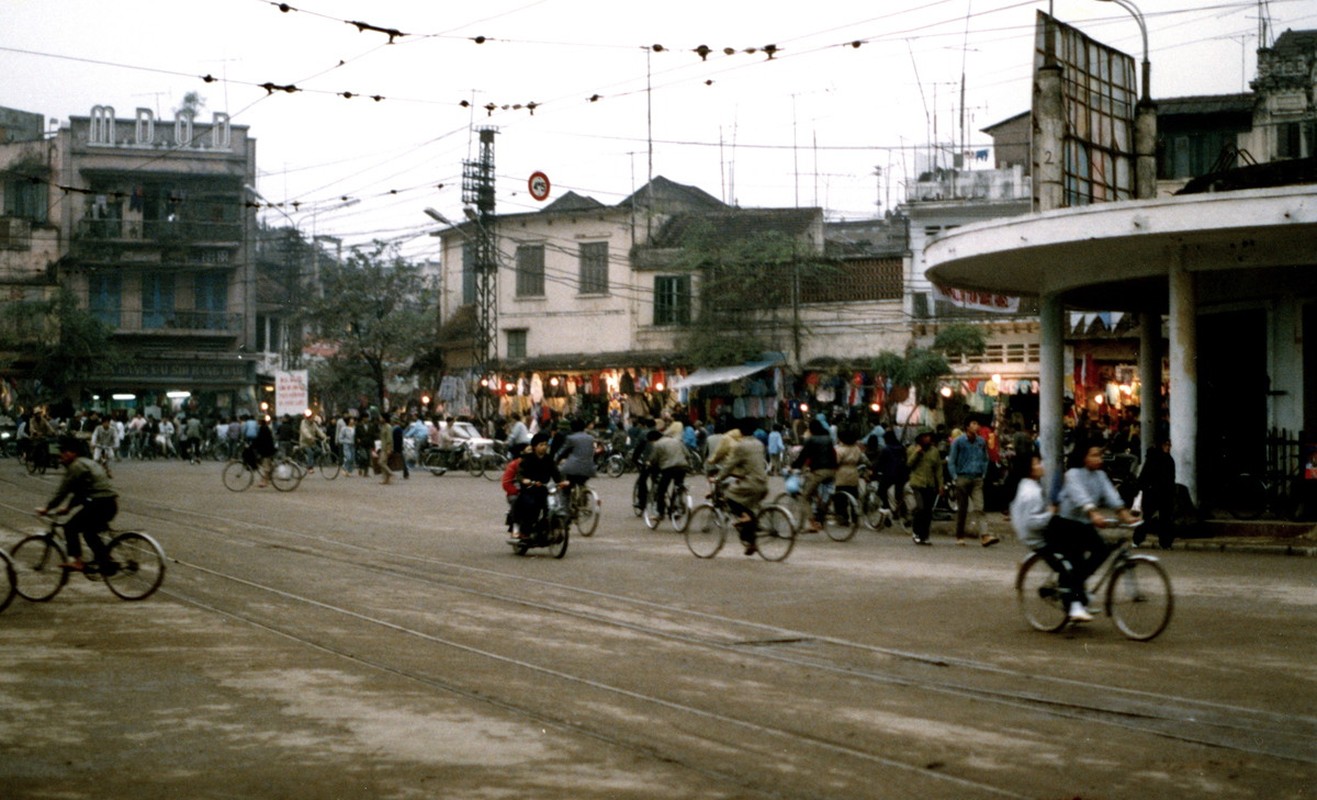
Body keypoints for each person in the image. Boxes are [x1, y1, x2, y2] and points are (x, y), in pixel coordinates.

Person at [1053, 445, 1140, 613]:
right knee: (1076, 560)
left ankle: (1075, 587)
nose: (1098, 458)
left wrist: (1125, 515)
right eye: (1094, 455)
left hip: (1084, 524)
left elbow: (1111, 496)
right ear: (1083, 456)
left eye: (1100, 455)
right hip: (1066, 524)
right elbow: (1080, 496)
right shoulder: (1072, 474)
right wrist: (1093, 512)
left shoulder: (1100, 476)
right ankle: (1074, 601)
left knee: (1101, 550)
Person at [1010, 454, 1093, 622]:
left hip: (1038, 532)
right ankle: (1074, 603)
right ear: (1030, 469)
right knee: (1072, 558)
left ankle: (1075, 598)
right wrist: (1050, 514)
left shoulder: (1028, 486)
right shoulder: (1030, 492)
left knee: (1075, 549)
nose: (1041, 465)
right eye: (1037, 463)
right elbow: (1032, 522)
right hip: (1038, 537)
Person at [36, 436, 118, 573]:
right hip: (110, 504)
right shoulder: (87, 462)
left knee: (70, 527)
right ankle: (105, 559)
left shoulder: (76, 466)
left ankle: (78, 562)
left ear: (73, 453)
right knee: (89, 532)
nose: (61, 455)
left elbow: (63, 491)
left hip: (99, 504)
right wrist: (68, 508)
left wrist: (47, 508)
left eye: (64, 452)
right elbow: (81, 492)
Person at [712, 418, 769, 556]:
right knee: (748, 509)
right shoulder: (758, 444)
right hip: (763, 483)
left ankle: (746, 521)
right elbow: (752, 464)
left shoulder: (741, 446)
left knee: (730, 497)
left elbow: (729, 465)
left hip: (750, 484)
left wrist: (718, 478)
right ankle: (751, 543)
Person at [948, 419, 999, 547]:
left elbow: (985, 459)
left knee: (979, 507)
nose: (977, 426)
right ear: (967, 427)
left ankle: (985, 535)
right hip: (962, 477)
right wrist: (955, 477)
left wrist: (983, 473)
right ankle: (960, 535)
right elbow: (952, 460)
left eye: (978, 423)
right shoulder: (958, 442)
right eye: (974, 424)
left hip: (977, 478)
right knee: (963, 509)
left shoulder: (981, 441)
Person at [512, 433, 569, 539]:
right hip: (529, 489)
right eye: (541, 444)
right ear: (535, 446)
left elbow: (555, 473)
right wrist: (525, 480)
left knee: (552, 506)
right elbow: (520, 473)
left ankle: (548, 528)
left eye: (546, 445)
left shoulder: (549, 459)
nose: (544, 447)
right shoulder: (527, 459)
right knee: (531, 505)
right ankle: (525, 531)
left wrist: (561, 481)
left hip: (544, 489)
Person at [791, 419, 838, 533]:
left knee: (804, 496)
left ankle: (813, 523)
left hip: (819, 471)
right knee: (818, 492)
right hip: (832, 470)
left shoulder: (810, 440)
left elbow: (803, 456)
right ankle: (821, 510)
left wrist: (794, 466)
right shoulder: (828, 439)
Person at [1137, 437, 1176, 549]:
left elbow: (1171, 478)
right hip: (1152, 493)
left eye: (1169, 445)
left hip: (1166, 494)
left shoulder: (1169, 459)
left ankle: (1166, 543)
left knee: (1166, 519)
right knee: (1147, 518)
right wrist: (1143, 489)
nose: (1168, 447)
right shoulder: (1153, 458)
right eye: (1165, 445)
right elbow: (1144, 476)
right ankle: (1138, 539)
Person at [906, 431, 944, 545]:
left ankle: (924, 535)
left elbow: (938, 469)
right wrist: (917, 453)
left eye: (928, 437)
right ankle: (916, 532)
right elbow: (909, 464)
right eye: (924, 436)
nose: (927, 439)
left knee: (928, 511)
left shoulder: (934, 451)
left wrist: (941, 485)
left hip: (930, 484)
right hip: (917, 483)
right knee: (920, 507)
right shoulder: (912, 449)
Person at [651, 420, 689, 517]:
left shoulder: (658, 444)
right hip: (682, 467)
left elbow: (654, 459)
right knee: (677, 486)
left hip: (668, 468)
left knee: (661, 490)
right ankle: (675, 507)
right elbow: (687, 454)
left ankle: (660, 512)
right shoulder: (678, 442)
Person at [555, 417, 597, 503]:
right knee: (581, 482)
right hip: (589, 468)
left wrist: (555, 459)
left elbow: (562, 452)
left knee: (567, 486)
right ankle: (583, 498)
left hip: (573, 468)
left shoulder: (571, 438)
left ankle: (565, 508)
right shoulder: (590, 438)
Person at [833, 426, 866, 527]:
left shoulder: (839, 450)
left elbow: (835, 462)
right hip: (853, 474)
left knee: (840, 498)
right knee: (854, 496)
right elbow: (863, 459)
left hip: (841, 475)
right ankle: (855, 518)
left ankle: (843, 518)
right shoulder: (856, 449)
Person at [253, 416, 277, 488]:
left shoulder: (263, 429)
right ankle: (266, 478)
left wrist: (253, 445)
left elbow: (259, 439)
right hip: (267, 449)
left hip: (267, 450)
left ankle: (265, 481)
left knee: (266, 466)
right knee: (266, 465)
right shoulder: (264, 428)